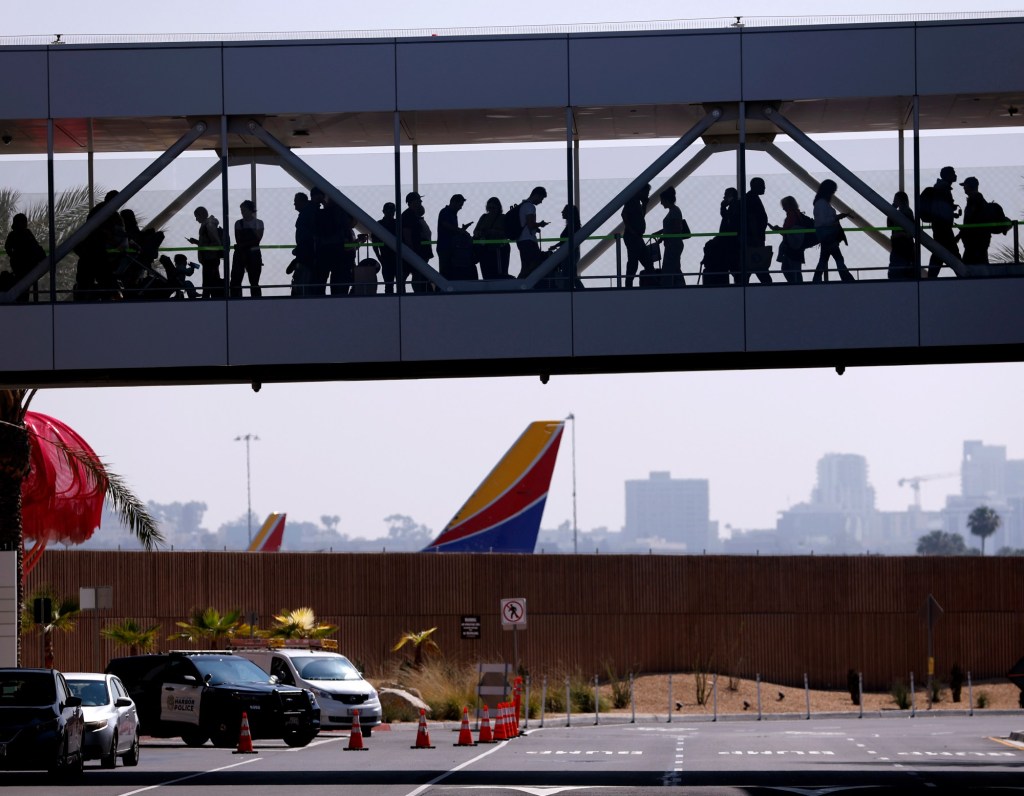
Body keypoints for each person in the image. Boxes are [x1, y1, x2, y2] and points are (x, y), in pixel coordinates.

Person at [812, 179, 855, 283]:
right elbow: (823, 221)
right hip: (828, 235)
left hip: (825, 235)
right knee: (838, 258)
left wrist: (836, 218)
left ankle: (816, 280)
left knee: (824, 259)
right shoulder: (822, 203)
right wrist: (836, 218)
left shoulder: (820, 203)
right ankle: (847, 279)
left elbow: (821, 221)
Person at [926, 166, 960, 278]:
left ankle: (930, 279)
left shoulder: (940, 188)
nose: (955, 175)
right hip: (943, 229)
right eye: (953, 173)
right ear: (947, 175)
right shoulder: (943, 190)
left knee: (939, 255)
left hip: (940, 228)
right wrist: (950, 211)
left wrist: (951, 210)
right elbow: (941, 209)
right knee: (953, 256)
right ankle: (965, 278)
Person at [4, 213, 45, 303]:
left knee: (22, 288)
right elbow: (36, 247)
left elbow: (7, 247)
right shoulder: (26, 233)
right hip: (26, 266)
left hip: (20, 266)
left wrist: (13, 256)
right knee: (25, 288)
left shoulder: (15, 234)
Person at [188, 206, 226, 298]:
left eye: (197, 216)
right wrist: (197, 242)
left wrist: (204, 248)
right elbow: (210, 242)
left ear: (201, 215)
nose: (196, 219)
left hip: (210, 259)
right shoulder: (208, 225)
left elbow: (216, 242)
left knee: (208, 284)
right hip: (210, 259)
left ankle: (206, 301)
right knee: (212, 283)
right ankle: (214, 300)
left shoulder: (208, 225)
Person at [653, 188, 687, 287]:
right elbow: (672, 228)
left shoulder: (675, 211)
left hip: (673, 244)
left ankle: (667, 287)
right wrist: (660, 233)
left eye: (662, 200)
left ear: (666, 200)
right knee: (675, 267)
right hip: (672, 244)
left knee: (669, 268)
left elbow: (677, 228)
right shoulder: (674, 211)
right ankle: (681, 286)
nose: (661, 203)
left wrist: (663, 237)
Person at [230, 199, 264, 297]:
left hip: (242, 253)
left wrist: (242, 245)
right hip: (253, 253)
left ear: (250, 210)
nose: (242, 212)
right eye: (241, 210)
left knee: (251, 280)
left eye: (244, 210)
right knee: (240, 280)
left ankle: (237, 300)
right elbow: (256, 240)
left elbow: (255, 240)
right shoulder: (258, 223)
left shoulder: (240, 224)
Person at [401, 192, 434, 293]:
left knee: (417, 275)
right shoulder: (408, 215)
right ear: (412, 202)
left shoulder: (413, 215)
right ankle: (417, 294)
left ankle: (417, 294)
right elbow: (407, 233)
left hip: (418, 251)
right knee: (417, 276)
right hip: (416, 251)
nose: (421, 202)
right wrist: (411, 251)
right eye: (419, 200)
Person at [770, 195, 806, 284]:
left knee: (791, 269)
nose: (783, 209)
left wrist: (777, 229)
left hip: (792, 247)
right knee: (793, 269)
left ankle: (796, 287)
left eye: (784, 206)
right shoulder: (798, 214)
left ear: (788, 205)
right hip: (797, 246)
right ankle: (797, 286)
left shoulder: (791, 215)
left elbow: (787, 232)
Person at [547, 203, 583, 289]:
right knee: (572, 276)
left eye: (564, 211)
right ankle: (580, 292)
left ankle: (570, 291)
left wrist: (557, 246)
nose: (562, 212)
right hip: (570, 253)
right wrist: (556, 245)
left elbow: (568, 240)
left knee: (568, 275)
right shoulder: (573, 225)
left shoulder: (572, 226)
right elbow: (567, 240)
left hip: (569, 253)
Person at [473, 196, 510, 279]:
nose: (491, 210)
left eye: (493, 207)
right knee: (486, 274)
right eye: (489, 207)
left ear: (498, 207)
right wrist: (480, 233)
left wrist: (494, 232)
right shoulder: (483, 217)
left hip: (499, 249)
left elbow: (507, 233)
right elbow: (475, 231)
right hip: (484, 250)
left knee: (499, 274)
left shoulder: (503, 218)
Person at [516, 186, 549, 278]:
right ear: (536, 195)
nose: (541, 201)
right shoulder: (530, 206)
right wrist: (539, 224)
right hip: (528, 240)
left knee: (526, 266)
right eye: (541, 198)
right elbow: (530, 224)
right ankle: (522, 284)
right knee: (533, 264)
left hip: (521, 240)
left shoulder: (522, 205)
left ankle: (520, 285)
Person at [621, 184, 651, 287]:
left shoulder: (637, 202)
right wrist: (631, 230)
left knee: (644, 261)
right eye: (646, 193)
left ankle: (630, 285)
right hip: (633, 237)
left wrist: (644, 205)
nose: (647, 195)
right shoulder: (632, 201)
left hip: (636, 236)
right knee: (635, 263)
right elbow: (624, 214)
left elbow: (641, 216)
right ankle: (629, 285)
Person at [436, 194, 472, 279]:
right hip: (445, 247)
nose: (461, 207)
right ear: (453, 202)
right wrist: (460, 230)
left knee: (449, 273)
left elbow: (449, 227)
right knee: (445, 273)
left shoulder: (450, 213)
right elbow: (446, 225)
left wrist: (460, 230)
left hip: (450, 248)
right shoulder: (445, 212)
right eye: (460, 205)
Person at [744, 177, 772, 284]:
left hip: (754, 238)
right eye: (762, 185)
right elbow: (751, 219)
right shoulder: (752, 198)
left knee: (752, 266)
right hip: (755, 240)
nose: (764, 187)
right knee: (759, 265)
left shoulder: (751, 197)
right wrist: (756, 237)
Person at [959, 176, 992, 267]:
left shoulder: (975, 198)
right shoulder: (978, 198)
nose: (964, 188)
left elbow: (970, 219)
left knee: (968, 266)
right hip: (979, 239)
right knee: (981, 263)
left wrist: (960, 234)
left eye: (965, 185)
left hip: (975, 241)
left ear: (970, 186)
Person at [290, 191, 318, 297]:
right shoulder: (310, 212)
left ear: (302, 202)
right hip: (306, 253)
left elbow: (306, 236)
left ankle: (303, 297)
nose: (294, 204)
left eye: (296, 202)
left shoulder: (307, 214)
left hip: (306, 255)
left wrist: (300, 250)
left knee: (303, 280)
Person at [887, 191, 917, 280]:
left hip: (902, 244)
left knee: (897, 269)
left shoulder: (905, 212)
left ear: (900, 200)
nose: (894, 201)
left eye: (895, 199)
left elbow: (890, 225)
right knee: (902, 268)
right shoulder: (906, 211)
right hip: (903, 244)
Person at [373, 202, 399, 293]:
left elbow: (375, 243)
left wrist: (379, 257)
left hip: (392, 257)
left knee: (392, 284)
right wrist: (380, 257)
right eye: (389, 211)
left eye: (392, 211)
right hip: (388, 257)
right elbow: (374, 242)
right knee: (390, 285)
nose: (391, 213)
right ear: (384, 211)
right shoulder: (397, 224)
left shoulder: (380, 224)